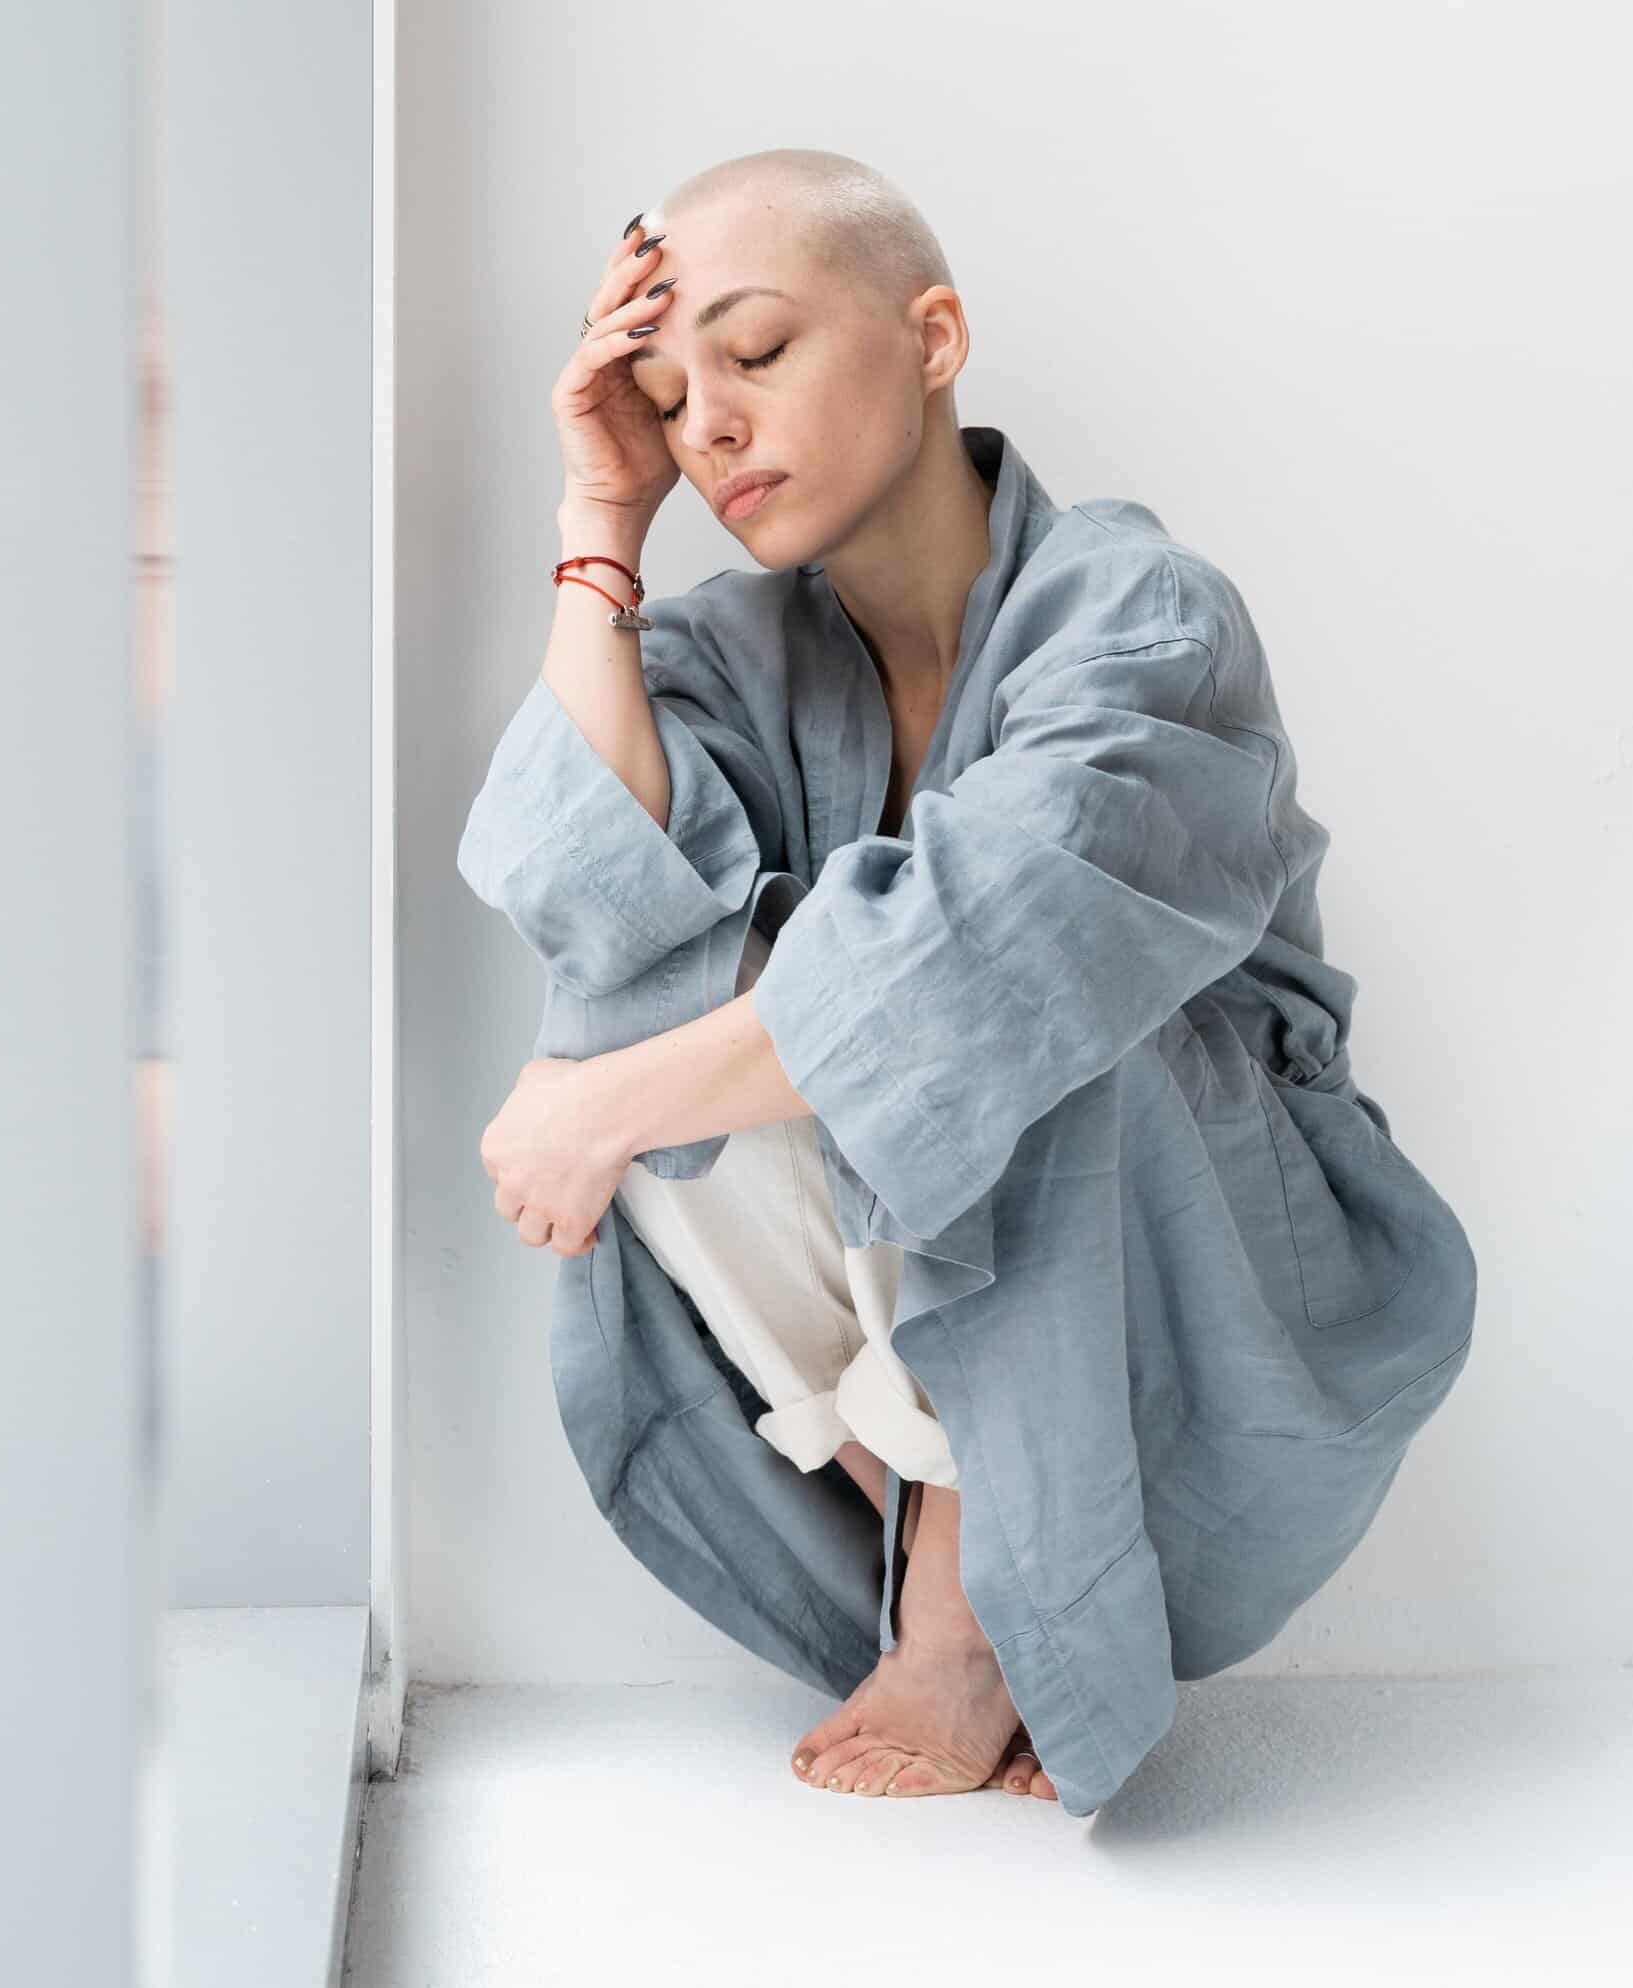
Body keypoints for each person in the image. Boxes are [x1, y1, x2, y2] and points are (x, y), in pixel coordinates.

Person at [457, 148, 1477, 1816]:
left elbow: (992, 945)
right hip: (924, 1346)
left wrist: (598, 1114)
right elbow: (582, 891)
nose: (704, 421)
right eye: (661, 389)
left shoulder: (1144, 614)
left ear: (931, 337)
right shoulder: (737, 648)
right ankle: (970, 1515)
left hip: (1211, 1292)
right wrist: (599, 521)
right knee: (644, 964)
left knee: (1035, 1006)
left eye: (756, 349)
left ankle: (972, 1606)